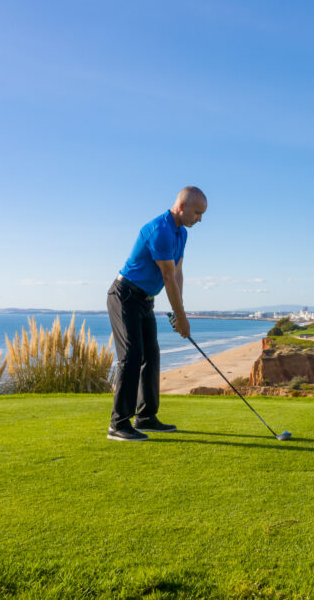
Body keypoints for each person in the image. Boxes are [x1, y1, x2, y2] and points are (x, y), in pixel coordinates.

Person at [106, 187, 207, 441]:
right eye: (197, 213)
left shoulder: (181, 233)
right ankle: (118, 424)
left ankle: (146, 417)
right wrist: (181, 317)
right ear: (182, 207)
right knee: (131, 355)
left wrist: (179, 310)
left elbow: (178, 272)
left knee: (151, 355)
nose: (200, 219)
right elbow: (167, 277)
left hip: (145, 300)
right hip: (125, 296)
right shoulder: (160, 230)